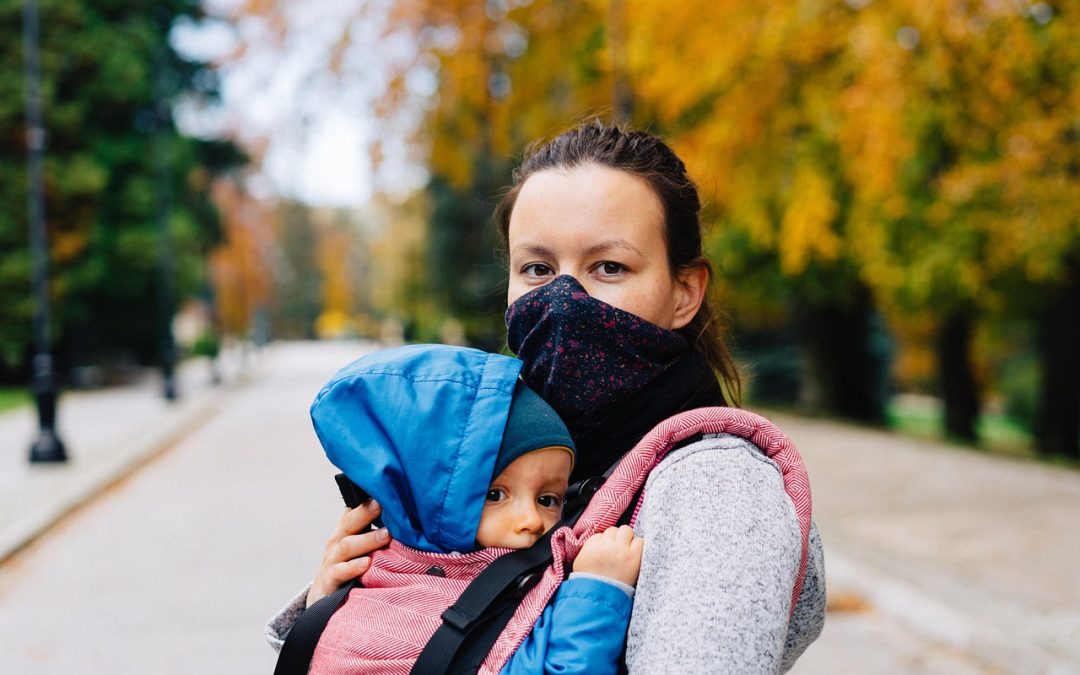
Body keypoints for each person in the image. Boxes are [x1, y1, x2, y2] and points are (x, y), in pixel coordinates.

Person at [269, 121, 826, 672]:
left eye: (609, 266)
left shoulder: (715, 487)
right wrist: (338, 607)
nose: (562, 299)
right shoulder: (499, 441)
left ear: (684, 293)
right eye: (537, 268)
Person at [277, 344, 643, 674]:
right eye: (495, 495)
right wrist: (598, 590)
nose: (531, 520)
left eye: (548, 500)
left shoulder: (523, 573)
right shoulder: (379, 614)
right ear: (427, 499)